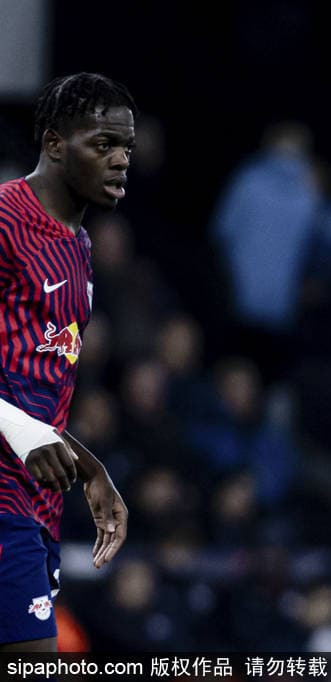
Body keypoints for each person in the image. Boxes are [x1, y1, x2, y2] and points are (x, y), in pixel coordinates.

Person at [0, 73, 131, 652]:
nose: (121, 160)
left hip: (36, 503)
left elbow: (30, 393)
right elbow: (22, 419)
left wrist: (90, 468)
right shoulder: (4, 221)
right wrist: (21, 431)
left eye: (126, 147)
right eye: (103, 144)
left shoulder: (78, 246)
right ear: (55, 144)